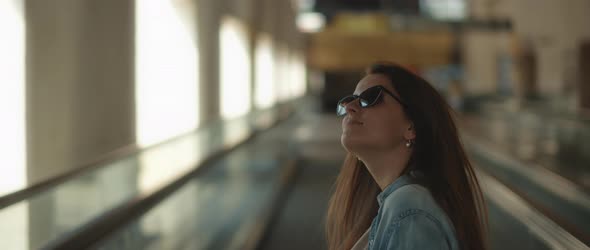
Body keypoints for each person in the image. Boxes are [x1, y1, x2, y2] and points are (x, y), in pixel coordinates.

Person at [325, 62, 488, 250]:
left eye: (370, 98)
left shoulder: (410, 210)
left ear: (411, 126)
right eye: (349, 99)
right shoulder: (400, 204)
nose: (349, 107)